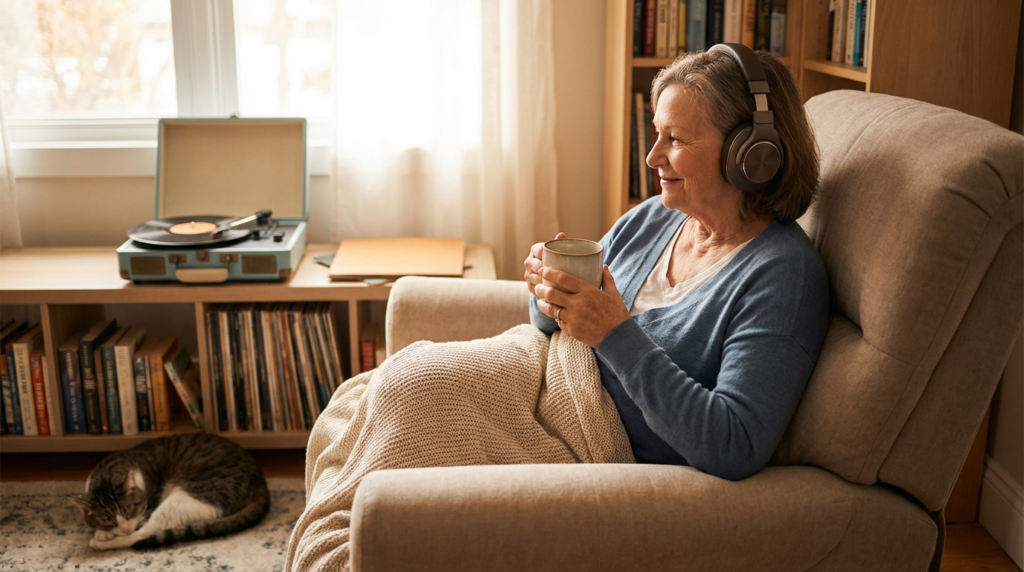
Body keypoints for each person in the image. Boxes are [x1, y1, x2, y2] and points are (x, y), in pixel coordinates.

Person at [524, 44, 831, 481]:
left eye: (676, 139)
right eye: (656, 134)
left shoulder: (782, 276)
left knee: (418, 396)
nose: (652, 157)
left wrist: (614, 335)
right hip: (543, 382)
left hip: (585, 438)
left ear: (751, 154)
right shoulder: (656, 217)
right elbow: (550, 324)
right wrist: (548, 291)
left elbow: (734, 444)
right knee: (409, 379)